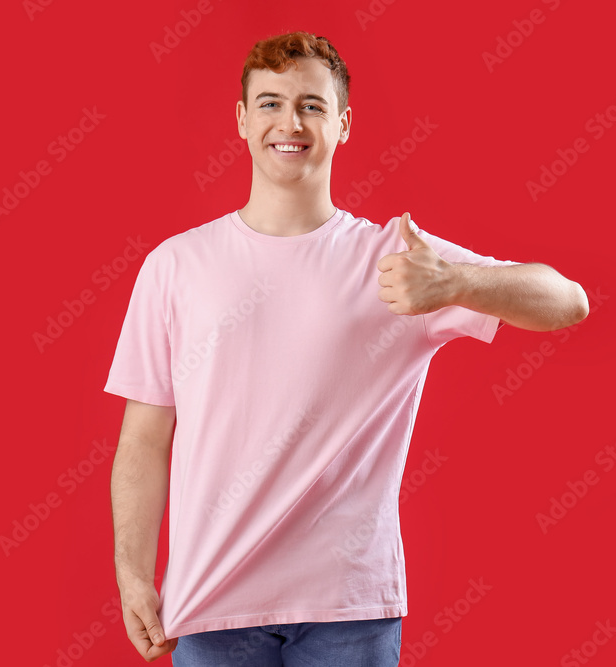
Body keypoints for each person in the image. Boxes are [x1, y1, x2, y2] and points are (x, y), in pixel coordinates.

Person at [105, 31, 588, 665]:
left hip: (349, 611)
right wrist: (134, 574)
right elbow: (144, 437)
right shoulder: (176, 266)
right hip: (212, 602)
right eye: (271, 102)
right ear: (243, 120)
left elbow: (567, 301)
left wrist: (458, 281)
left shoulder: (398, 260)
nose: (291, 121)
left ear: (343, 124)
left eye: (311, 104)